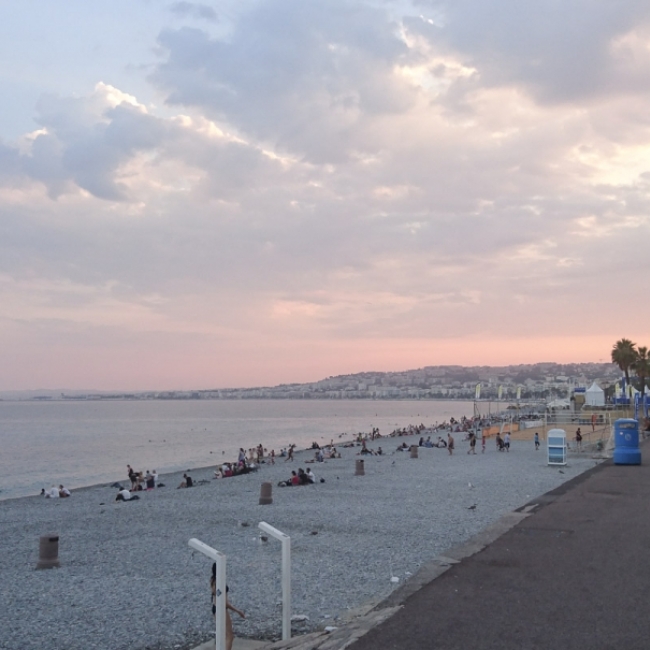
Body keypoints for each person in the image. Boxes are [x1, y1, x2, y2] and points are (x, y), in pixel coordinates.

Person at [210, 563, 245, 650]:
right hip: (221, 609)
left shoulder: (213, 580)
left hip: (214, 608)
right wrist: (238, 611)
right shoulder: (220, 583)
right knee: (229, 636)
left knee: (223, 634)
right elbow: (224, 602)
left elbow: (216, 595)